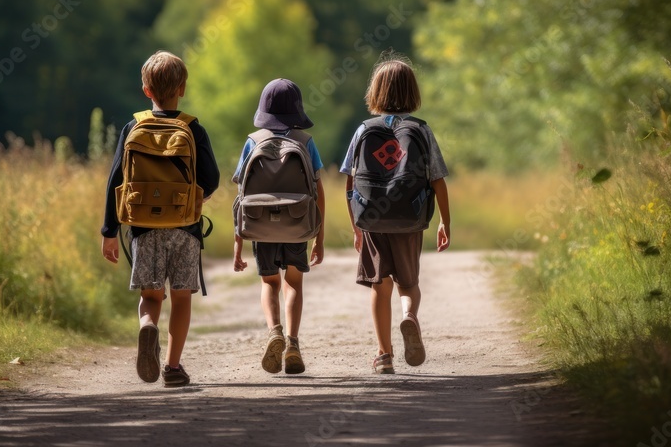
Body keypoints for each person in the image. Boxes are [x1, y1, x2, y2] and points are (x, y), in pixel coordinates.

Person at [101, 50, 219, 387]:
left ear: (146, 90)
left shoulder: (133, 127)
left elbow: (116, 182)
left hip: (143, 228)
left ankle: (147, 328)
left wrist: (110, 231)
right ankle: (173, 368)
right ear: (182, 88)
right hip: (185, 228)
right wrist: (193, 199)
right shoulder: (193, 129)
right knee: (181, 297)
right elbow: (210, 178)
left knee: (151, 297)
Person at [340, 54, 450, 374]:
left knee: (379, 284)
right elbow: (437, 178)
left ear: (375, 92)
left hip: (372, 216)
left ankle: (383, 355)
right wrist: (445, 220)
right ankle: (409, 317)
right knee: (409, 282)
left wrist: (355, 224)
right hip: (410, 216)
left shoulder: (364, 129)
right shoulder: (421, 129)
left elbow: (349, 178)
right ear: (412, 92)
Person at [232, 79, 326, 375]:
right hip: (297, 223)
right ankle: (293, 344)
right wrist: (318, 237)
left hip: (260, 226)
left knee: (269, 283)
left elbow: (242, 195)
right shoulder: (305, 142)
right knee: (294, 284)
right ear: (297, 109)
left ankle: (274, 331)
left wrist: (238, 244)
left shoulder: (252, 141)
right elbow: (318, 191)